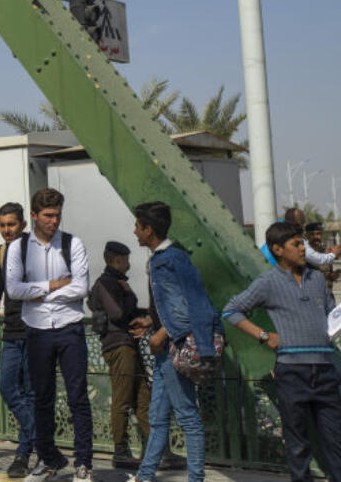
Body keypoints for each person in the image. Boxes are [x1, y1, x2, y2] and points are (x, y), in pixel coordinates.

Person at [222, 221, 341, 482]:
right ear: (277, 250)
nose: (303, 249)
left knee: (338, 442)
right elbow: (231, 311)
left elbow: (332, 318)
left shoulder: (318, 279)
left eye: (303, 244)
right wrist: (263, 336)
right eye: (297, 244)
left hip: (324, 371)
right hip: (292, 373)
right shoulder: (268, 282)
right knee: (298, 446)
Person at [129, 201, 223, 482]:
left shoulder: (168, 259)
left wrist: (161, 333)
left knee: (187, 416)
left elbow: (185, 306)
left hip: (174, 347)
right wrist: (151, 322)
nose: (134, 232)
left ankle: (195, 478)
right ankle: (145, 476)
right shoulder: (166, 258)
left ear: (149, 229)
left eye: (137, 226)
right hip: (167, 346)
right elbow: (171, 303)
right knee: (157, 417)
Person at [4, 188, 93, 482]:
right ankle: (47, 459)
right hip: (38, 331)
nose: (54, 221)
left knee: (77, 397)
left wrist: (39, 294)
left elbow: (80, 288)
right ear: (34, 216)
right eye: (48, 216)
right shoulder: (18, 248)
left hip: (70, 328)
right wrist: (53, 285)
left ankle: (83, 464)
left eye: (57, 215)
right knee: (42, 398)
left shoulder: (72, 244)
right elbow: (14, 290)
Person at [0, 202, 35, 478]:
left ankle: (23, 456)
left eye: (11, 224)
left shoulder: (35, 249)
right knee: (7, 388)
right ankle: (40, 437)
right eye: (2, 225)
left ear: (23, 224)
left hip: (36, 333)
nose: (6, 230)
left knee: (30, 393)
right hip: (11, 333)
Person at [88, 241, 152, 469]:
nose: (129, 263)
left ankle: (156, 449)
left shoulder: (117, 283)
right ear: (117, 260)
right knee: (123, 399)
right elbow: (118, 313)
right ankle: (120, 451)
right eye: (126, 259)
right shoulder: (106, 283)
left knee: (143, 398)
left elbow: (129, 312)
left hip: (128, 345)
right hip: (119, 346)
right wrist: (129, 296)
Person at [305, 222, 341, 289]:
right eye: (313, 234)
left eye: (319, 234)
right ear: (306, 235)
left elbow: (327, 272)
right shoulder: (304, 253)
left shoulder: (325, 252)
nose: (317, 237)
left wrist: (331, 276)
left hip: (327, 292)